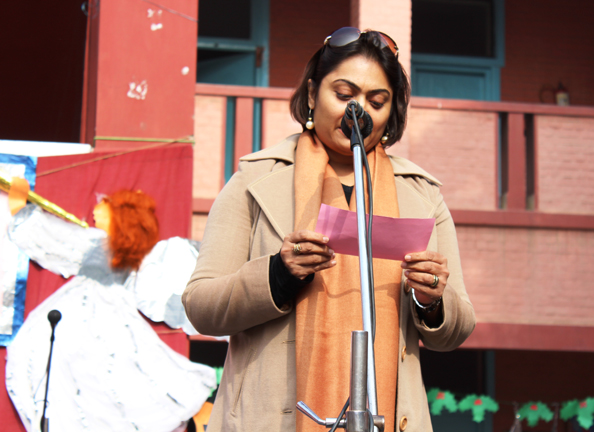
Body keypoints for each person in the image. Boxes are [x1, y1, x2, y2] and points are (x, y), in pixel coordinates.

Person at [182, 27, 476, 432]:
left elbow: (457, 330)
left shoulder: (422, 195)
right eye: (343, 94)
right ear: (311, 94)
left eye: (376, 101)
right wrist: (278, 275)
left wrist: (431, 300)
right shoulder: (253, 180)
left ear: (391, 113)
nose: (359, 110)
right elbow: (201, 306)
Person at [6, 190, 215, 432]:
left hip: (96, 313)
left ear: (119, 214)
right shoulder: (117, 250)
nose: (95, 210)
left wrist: (20, 210)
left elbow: (58, 239)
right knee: (105, 375)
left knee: (113, 373)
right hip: (94, 312)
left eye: (103, 205)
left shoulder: (102, 245)